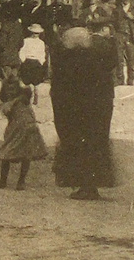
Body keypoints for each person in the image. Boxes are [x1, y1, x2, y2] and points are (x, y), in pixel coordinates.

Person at [50, 14, 117, 200]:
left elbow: (62, 88)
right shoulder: (98, 55)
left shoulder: (71, 60)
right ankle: (93, 184)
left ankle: (86, 186)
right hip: (100, 107)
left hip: (80, 110)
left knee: (82, 144)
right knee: (97, 143)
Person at [0, 84, 47, 190]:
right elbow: (6, 110)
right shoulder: (9, 104)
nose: (10, 92)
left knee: (26, 154)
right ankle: (3, 180)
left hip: (27, 128)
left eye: (13, 89)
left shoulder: (24, 102)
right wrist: (15, 100)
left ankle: (21, 181)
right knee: (7, 153)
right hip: (14, 130)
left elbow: (28, 91)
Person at [19, 23, 47, 104]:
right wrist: (23, 60)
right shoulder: (26, 41)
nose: (36, 35)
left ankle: (36, 96)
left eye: (38, 33)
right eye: (34, 33)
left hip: (36, 62)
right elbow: (22, 51)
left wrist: (41, 61)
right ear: (31, 32)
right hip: (27, 61)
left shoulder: (41, 43)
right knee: (26, 81)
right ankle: (27, 97)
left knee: (36, 82)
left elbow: (42, 53)